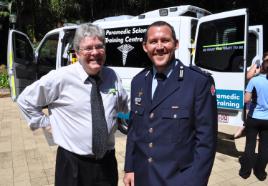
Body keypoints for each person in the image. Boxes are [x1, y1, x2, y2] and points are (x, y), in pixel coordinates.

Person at [17, 23, 129, 186]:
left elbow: (125, 105)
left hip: (106, 163)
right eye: (88, 48)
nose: (95, 53)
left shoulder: (112, 76)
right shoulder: (60, 77)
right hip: (72, 164)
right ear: (77, 52)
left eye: (99, 46)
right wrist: (47, 123)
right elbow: (25, 100)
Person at [123, 21, 218, 186]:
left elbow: (206, 141)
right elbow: (134, 130)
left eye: (165, 40)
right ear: (145, 47)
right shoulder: (138, 81)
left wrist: (195, 182)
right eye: (153, 42)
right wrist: (129, 167)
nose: (159, 47)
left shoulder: (198, 82)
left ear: (176, 44)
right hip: (143, 176)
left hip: (178, 179)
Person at [239, 52, 268, 181]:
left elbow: (246, 100)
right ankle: (260, 173)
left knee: (250, 145)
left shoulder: (254, 80)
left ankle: (245, 172)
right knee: (265, 146)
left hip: (254, 117)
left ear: (261, 67)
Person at [233, 60, 261, 139]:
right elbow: (248, 76)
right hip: (253, 94)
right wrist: (255, 68)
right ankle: (243, 128)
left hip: (259, 94)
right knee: (248, 112)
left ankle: (256, 133)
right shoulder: (257, 62)